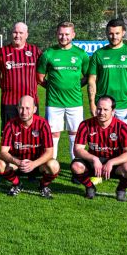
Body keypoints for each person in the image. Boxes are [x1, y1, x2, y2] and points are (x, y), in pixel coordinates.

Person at [37, 22, 89, 162]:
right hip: (54, 103)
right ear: (56, 34)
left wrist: (77, 86)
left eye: (67, 34)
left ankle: (76, 166)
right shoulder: (48, 53)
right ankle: (51, 166)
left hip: (75, 102)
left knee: (75, 134)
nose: (63, 37)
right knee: (53, 134)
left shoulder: (81, 54)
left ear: (73, 35)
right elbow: (40, 77)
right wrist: (53, 87)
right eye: (60, 34)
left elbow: (88, 76)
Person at [71, 96, 127, 201]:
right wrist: (94, 159)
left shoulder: (122, 127)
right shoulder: (85, 125)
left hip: (115, 165)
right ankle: (90, 187)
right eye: (99, 108)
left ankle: (121, 189)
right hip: (94, 163)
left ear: (113, 111)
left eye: (105, 109)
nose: (101, 112)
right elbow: (77, 150)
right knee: (76, 166)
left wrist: (112, 162)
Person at [87, 19, 127, 134]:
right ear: (106, 33)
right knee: (103, 142)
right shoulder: (98, 54)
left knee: (126, 144)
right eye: (111, 33)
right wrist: (92, 104)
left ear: (123, 32)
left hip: (126, 105)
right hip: (103, 107)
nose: (114, 36)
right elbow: (91, 80)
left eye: (117, 33)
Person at [0, 95, 58, 199]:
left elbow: (49, 152)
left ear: (34, 109)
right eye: (21, 108)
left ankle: (43, 185)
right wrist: (18, 162)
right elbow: (2, 152)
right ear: (17, 108)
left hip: (38, 164)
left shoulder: (43, 124)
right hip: (17, 163)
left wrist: (33, 164)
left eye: (28, 108)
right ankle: (17, 184)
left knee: (54, 165)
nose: (24, 112)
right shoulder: (10, 125)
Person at [0, 22, 42, 130]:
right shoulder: (2, 52)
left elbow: (41, 73)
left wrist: (34, 84)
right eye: (15, 32)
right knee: (9, 135)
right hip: (9, 102)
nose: (17, 35)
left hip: (31, 102)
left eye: (21, 33)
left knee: (33, 134)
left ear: (27, 35)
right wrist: (6, 87)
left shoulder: (35, 51)